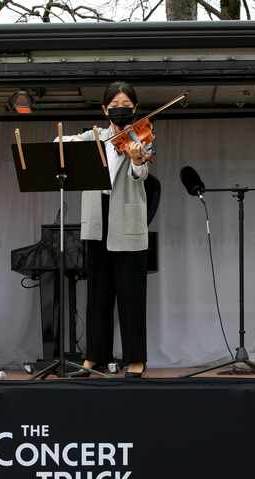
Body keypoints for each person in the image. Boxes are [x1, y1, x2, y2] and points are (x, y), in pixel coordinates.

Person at [63, 81, 154, 378]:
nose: (121, 110)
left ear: (135, 109)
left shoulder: (141, 137)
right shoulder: (95, 137)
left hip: (127, 221)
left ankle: (136, 359)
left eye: (127, 106)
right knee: (98, 296)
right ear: (105, 109)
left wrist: (137, 159)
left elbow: (141, 174)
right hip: (97, 220)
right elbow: (59, 145)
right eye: (115, 105)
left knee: (131, 296)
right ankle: (94, 357)